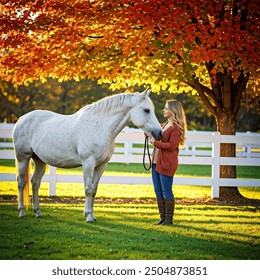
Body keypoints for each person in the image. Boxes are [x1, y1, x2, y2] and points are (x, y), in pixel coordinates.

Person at [149, 100, 187, 225]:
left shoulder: (175, 128)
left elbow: (171, 146)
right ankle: (163, 218)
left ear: (173, 111)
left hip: (166, 163)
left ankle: (169, 219)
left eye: (166, 108)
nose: (164, 110)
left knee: (166, 191)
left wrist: (155, 143)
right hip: (156, 162)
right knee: (158, 191)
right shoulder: (165, 124)